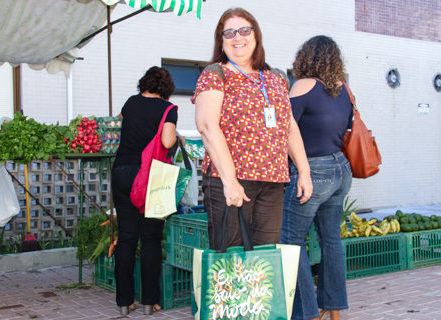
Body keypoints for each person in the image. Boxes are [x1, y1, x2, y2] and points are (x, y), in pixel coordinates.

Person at [192, 7, 312, 249]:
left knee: (265, 260)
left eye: (245, 30)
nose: (238, 37)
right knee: (231, 261)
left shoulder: (276, 77)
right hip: (232, 180)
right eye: (229, 33)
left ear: (256, 36)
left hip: (273, 180)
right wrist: (230, 181)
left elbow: (289, 126)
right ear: (221, 41)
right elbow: (206, 126)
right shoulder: (215, 74)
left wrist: (304, 171)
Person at [280, 35, 353, 320]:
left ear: (306, 57)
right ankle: (333, 310)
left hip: (312, 171)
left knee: (292, 240)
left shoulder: (303, 84)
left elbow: (284, 127)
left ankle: (306, 312)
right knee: (331, 240)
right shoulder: (344, 88)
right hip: (340, 168)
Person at [112, 66, 179, 317]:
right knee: (150, 238)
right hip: (152, 176)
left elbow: (120, 121)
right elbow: (167, 142)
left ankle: (123, 302)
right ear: (166, 89)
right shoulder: (168, 109)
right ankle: (150, 302)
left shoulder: (130, 103)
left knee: (127, 237)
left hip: (122, 171)